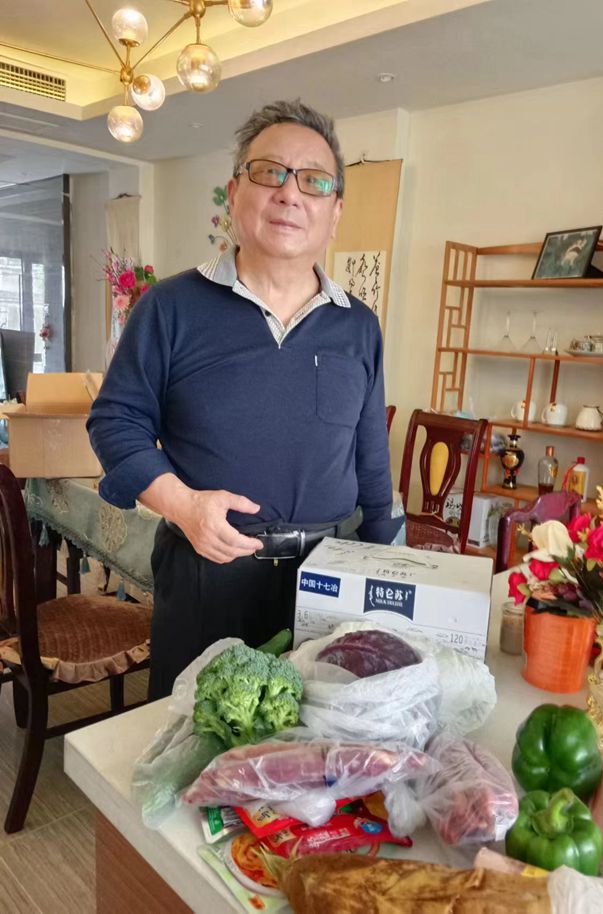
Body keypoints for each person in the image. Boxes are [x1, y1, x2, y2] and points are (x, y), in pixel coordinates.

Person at [87, 99, 400, 700]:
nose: (290, 194)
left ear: (335, 212)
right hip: (209, 578)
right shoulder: (170, 307)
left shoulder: (358, 325)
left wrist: (387, 567)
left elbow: (370, 458)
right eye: (269, 172)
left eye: (314, 181)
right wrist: (183, 505)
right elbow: (116, 421)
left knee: (319, 746)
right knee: (197, 740)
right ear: (234, 193)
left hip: (328, 584)